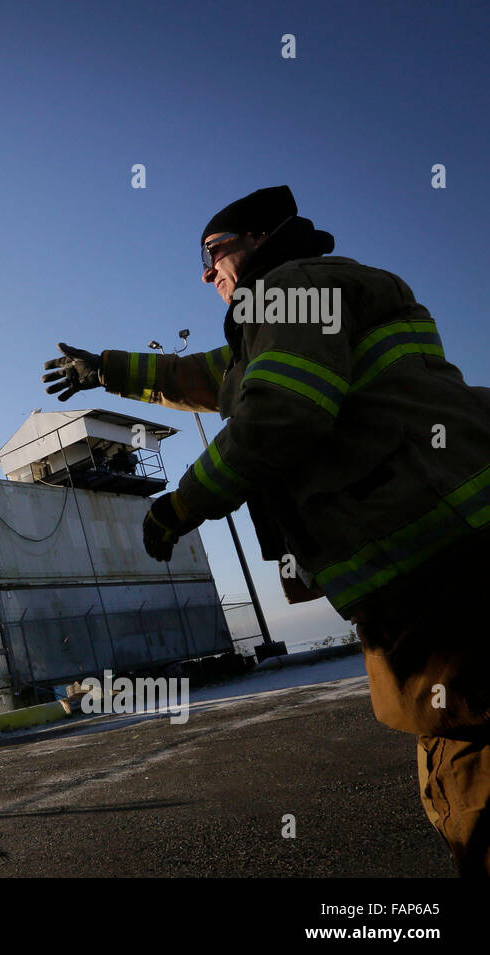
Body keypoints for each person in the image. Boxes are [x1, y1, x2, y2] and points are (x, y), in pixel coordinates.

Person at [41, 185, 490, 876]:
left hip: (443, 577)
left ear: (257, 242)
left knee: (472, 776)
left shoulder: (292, 290)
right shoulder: (296, 308)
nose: (205, 272)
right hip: (442, 565)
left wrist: (179, 505)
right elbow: (207, 378)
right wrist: (108, 368)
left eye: (213, 253)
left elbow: (278, 412)